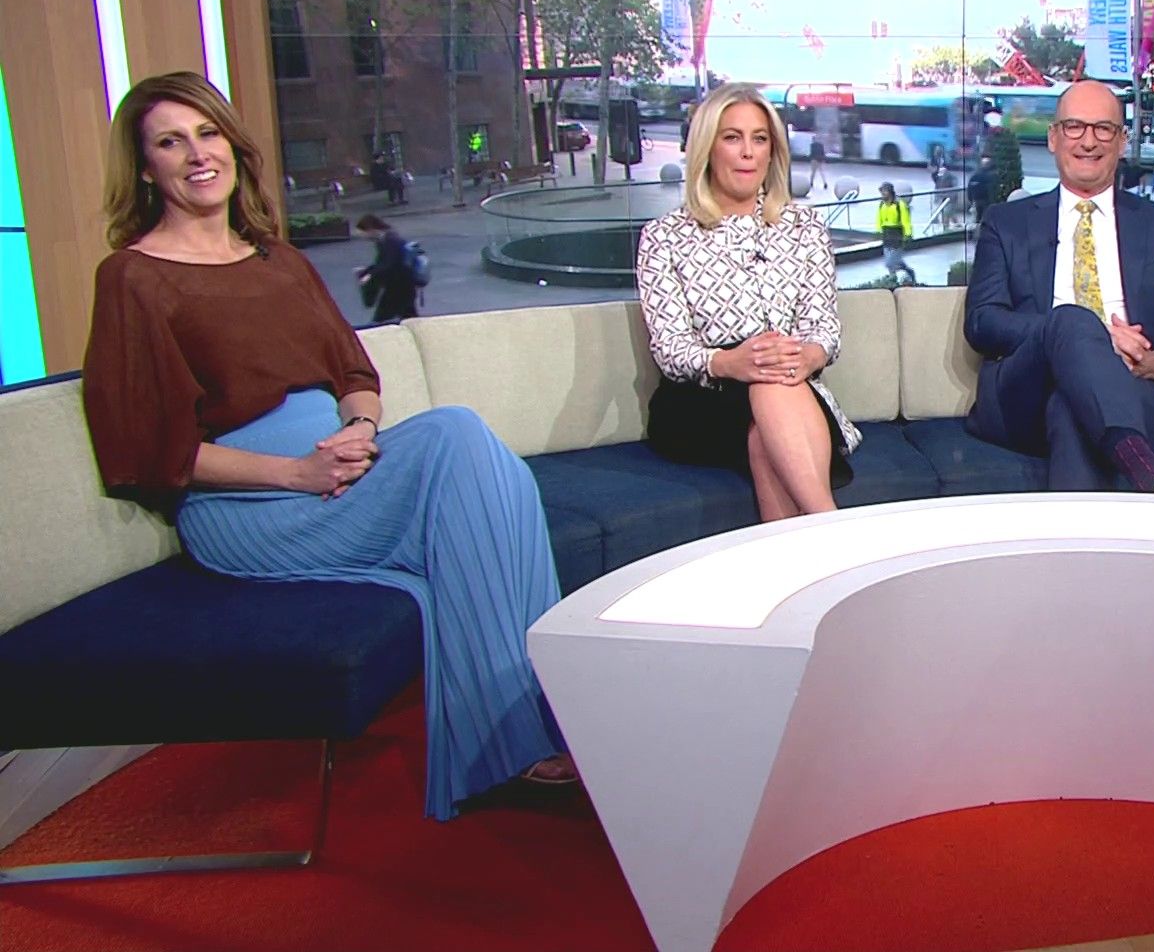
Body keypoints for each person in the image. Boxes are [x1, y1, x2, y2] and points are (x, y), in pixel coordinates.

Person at [80, 72, 572, 821]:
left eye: (208, 133)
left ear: (233, 147)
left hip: (337, 474)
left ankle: (526, 724)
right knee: (455, 436)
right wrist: (296, 472)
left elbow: (355, 375)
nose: (197, 154)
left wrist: (359, 434)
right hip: (247, 504)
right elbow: (148, 451)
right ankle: (517, 736)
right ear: (147, 169)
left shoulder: (278, 260)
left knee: (490, 471)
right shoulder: (132, 278)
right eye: (171, 143)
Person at [963, 80, 1154, 495]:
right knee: (1071, 321)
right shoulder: (1006, 222)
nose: (1088, 141)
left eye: (1103, 129)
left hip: (1132, 390)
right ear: (1053, 138)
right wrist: (1092, 336)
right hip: (1025, 394)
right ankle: (1151, 470)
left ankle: (1126, 486)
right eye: (1074, 126)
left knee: (1069, 408)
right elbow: (982, 322)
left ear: (1122, 141)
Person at [637, 82, 861, 522]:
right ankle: (832, 527)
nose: (747, 153)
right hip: (701, 398)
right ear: (707, 147)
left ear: (772, 151)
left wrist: (808, 356)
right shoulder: (664, 237)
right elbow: (670, 348)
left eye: (760, 139)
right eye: (732, 137)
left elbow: (823, 328)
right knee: (767, 383)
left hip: (788, 385)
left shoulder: (804, 227)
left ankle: (819, 538)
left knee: (767, 411)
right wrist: (730, 362)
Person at [355, 213, 422, 323]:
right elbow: (382, 263)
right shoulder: (386, 239)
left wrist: (370, 275)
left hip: (397, 287)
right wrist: (367, 270)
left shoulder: (389, 241)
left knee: (381, 320)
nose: (363, 237)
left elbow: (389, 264)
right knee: (410, 318)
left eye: (363, 233)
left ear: (370, 229)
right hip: (403, 285)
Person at [876, 181, 916, 285]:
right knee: (890, 261)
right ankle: (893, 279)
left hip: (897, 234)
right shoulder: (882, 204)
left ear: (890, 192)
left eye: (884, 191)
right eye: (881, 191)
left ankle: (906, 272)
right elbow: (879, 219)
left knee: (891, 262)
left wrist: (908, 234)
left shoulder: (899, 204)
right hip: (886, 234)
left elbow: (905, 220)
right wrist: (878, 231)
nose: (882, 194)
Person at [968, 156, 995, 227]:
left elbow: (970, 188)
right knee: (986, 217)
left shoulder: (975, 176)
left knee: (978, 217)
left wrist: (970, 199)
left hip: (977, 200)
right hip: (986, 200)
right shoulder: (990, 176)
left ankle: (978, 229)